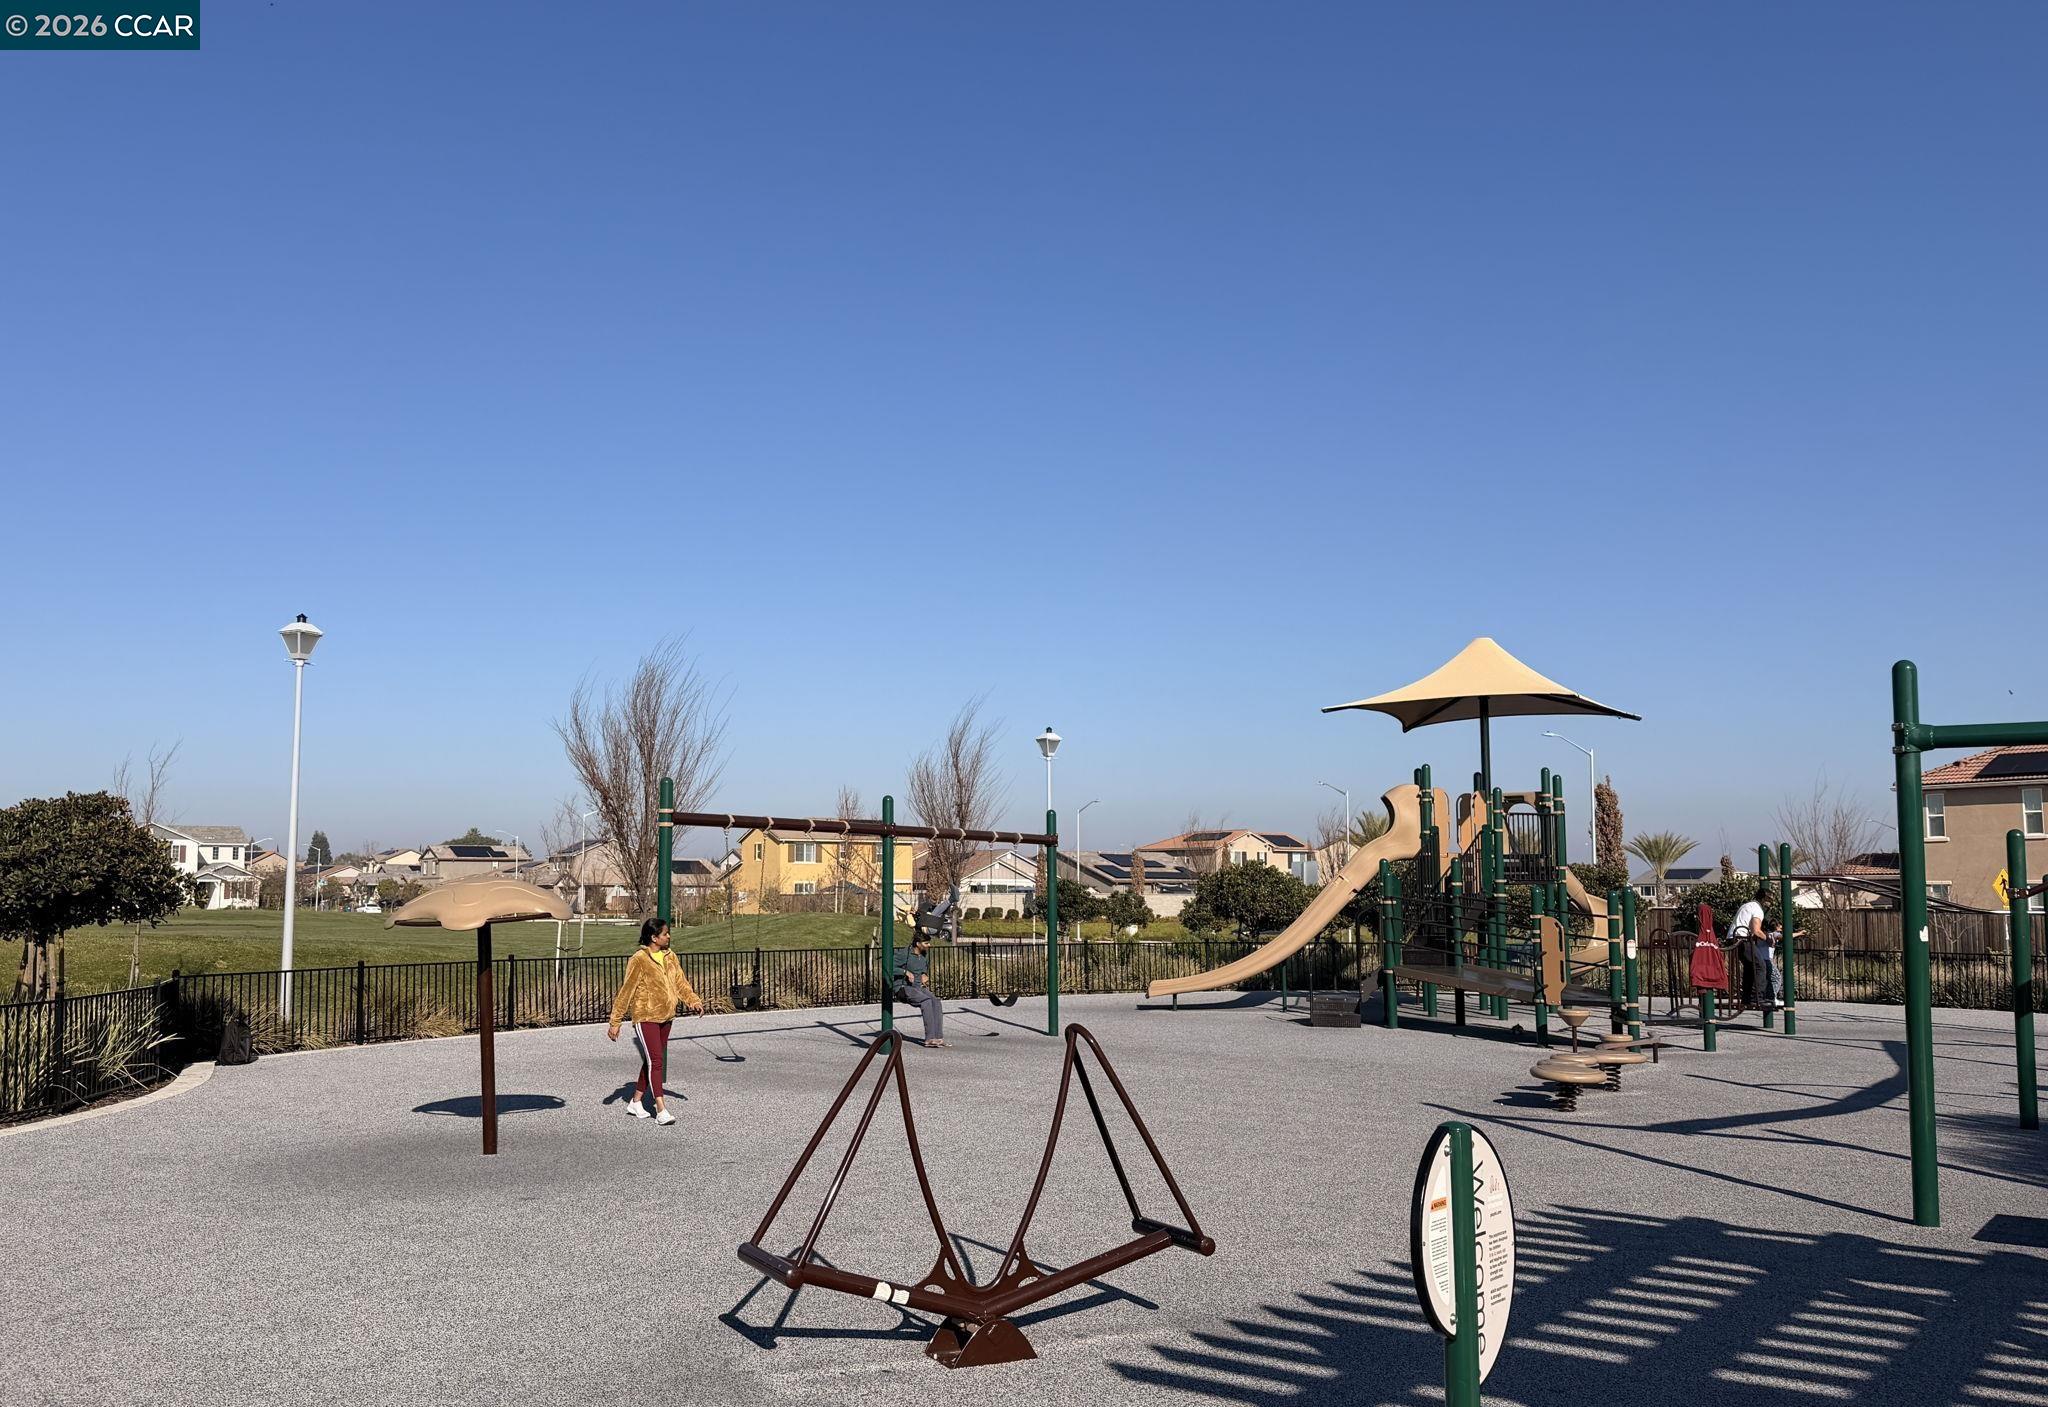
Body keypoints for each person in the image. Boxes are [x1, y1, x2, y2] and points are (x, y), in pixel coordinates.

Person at [608, 918, 703, 1125]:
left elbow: (680, 982)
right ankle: (661, 1110)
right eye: (665, 933)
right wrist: (615, 1021)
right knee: (657, 1061)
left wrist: (693, 1000)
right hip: (646, 1016)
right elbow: (626, 990)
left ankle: (636, 1101)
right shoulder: (639, 959)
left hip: (666, 1016)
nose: (668, 936)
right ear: (654, 937)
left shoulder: (670, 956)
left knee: (652, 1060)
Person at [893, 933, 947, 1048]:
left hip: (918, 987)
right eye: (926, 943)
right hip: (903, 988)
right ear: (918, 944)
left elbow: (923, 968)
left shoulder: (923, 955)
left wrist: (924, 974)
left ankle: (938, 1037)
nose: (929, 945)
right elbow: (889, 967)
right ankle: (929, 1039)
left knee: (936, 1002)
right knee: (926, 1001)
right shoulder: (904, 954)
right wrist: (905, 972)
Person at [1729, 884, 1767, 1007]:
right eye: (1769, 901)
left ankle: (1747, 997)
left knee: (1750, 967)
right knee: (1760, 965)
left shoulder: (1747, 905)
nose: (1770, 904)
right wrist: (1768, 939)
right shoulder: (1757, 909)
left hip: (1733, 937)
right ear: (1764, 899)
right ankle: (1757, 997)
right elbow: (1756, 930)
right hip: (1742, 938)